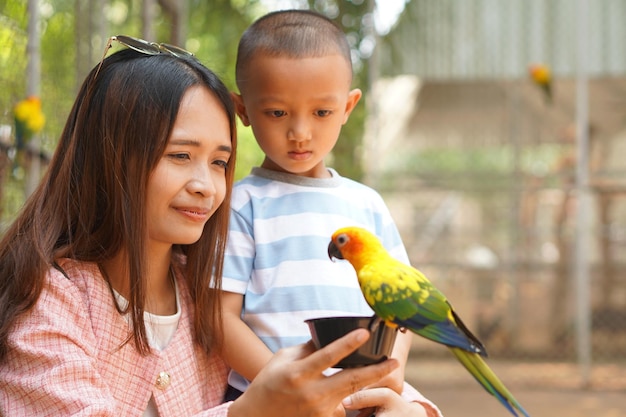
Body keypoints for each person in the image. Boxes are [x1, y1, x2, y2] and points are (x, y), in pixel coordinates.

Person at [0, 35, 429, 417]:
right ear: (111, 155)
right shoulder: (46, 300)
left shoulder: (211, 293)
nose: (207, 186)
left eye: (220, 162)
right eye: (181, 156)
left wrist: (409, 408)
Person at [220, 10, 441, 417]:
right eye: (277, 113)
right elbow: (221, 319)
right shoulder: (240, 205)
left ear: (347, 106)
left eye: (321, 112)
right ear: (243, 110)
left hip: (364, 396)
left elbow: (404, 306)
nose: (300, 132)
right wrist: (289, 387)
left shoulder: (367, 205)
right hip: (272, 405)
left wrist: (394, 371)